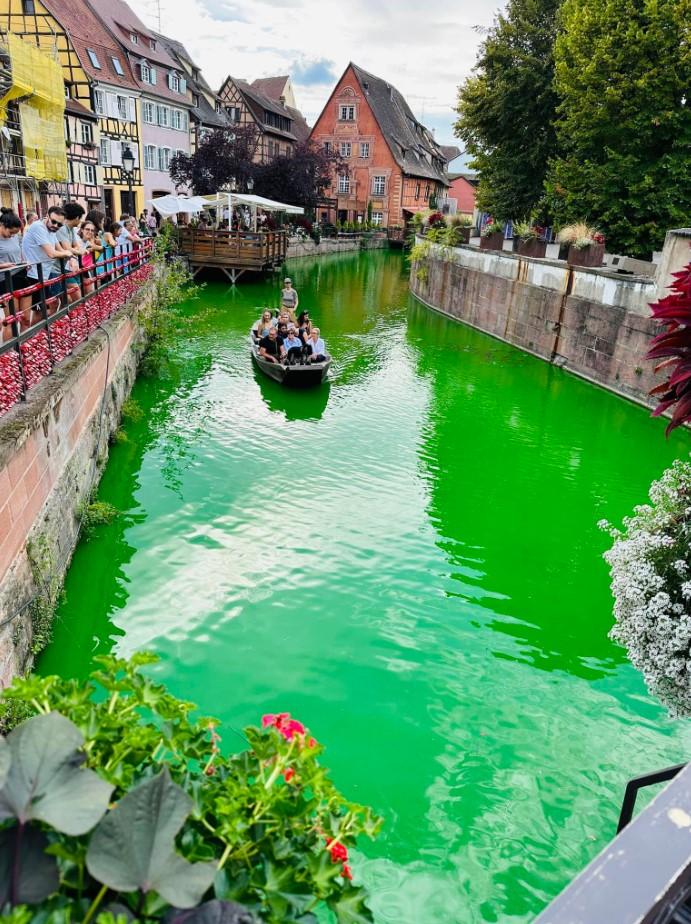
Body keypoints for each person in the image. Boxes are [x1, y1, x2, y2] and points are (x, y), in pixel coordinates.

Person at [21, 205, 71, 313]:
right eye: (54, 221)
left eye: (59, 224)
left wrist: (68, 253)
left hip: (44, 274)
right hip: (33, 274)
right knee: (39, 312)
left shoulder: (52, 230)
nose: (56, 225)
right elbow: (51, 253)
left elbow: (60, 249)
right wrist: (67, 253)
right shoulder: (38, 227)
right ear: (47, 216)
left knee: (50, 306)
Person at [0, 212, 32, 336]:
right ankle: (11, 348)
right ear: (2, 225)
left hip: (21, 275)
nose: (12, 235)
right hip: (5, 280)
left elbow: (19, 253)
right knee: (12, 321)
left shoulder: (15, 237)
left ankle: (25, 346)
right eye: (11, 232)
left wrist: (24, 262)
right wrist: (2, 265)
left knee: (26, 319)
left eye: (15, 233)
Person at [55, 202, 86, 303]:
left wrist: (76, 250)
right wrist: (79, 252)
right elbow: (68, 248)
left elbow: (75, 246)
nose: (81, 221)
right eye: (81, 218)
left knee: (69, 298)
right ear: (77, 217)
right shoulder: (62, 228)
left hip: (62, 267)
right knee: (59, 301)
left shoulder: (71, 229)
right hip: (55, 268)